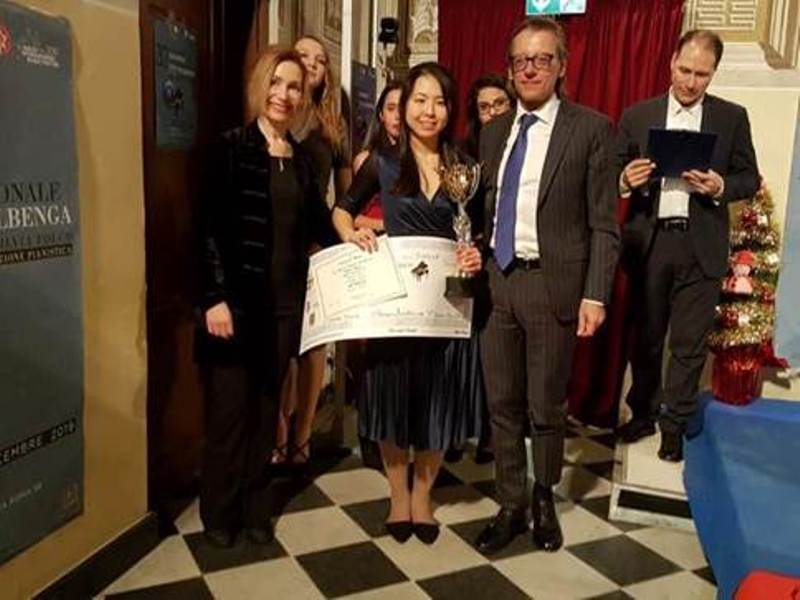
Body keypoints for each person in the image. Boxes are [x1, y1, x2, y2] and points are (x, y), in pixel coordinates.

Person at [475, 16, 619, 555]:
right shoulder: (493, 131)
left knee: (546, 406)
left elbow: (604, 223)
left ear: (561, 65)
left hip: (552, 285)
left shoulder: (591, 129)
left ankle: (543, 496)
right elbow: (480, 209)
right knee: (502, 403)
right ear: (510, 70)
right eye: (520, 61)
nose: (529, 69)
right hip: (497, 284)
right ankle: (510, 502)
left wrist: (595, 293)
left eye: (541, 59)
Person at [332, 62, 484, 545]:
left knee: (439, 401)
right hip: (395, 307)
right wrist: (351, 233)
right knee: (391, 400)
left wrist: (475, 251)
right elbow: (342, 210)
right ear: (403, 107)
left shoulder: (465, 166)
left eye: (439, 101)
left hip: (447, 307)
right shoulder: (382, 163)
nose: (428, 111)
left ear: (451, 109)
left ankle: (423, 496)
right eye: (419, 100)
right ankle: (398, 496)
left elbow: (479, 229)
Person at [195, 46, 334, 548]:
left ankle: (256, 508)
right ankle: (219, 512)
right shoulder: (230, 148)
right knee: (229, 416)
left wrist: (356, 235)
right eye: (276, 82)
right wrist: (213, 297)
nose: (284, 94)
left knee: (266, 411)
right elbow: (206, 229)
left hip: (284, 310)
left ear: (303, 96)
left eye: (294, 86)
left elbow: (321, 226)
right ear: (260, 86)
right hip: (234, 310)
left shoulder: (302, 162)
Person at [615, 30, 759, 461]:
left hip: (701, 244)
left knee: (689, 344)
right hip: (650, 243)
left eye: (701, 74)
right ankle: (642, 412)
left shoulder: (731, 117)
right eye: (684, 70)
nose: (691, 82)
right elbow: (609, 172)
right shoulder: (638, 115)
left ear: (713, 74)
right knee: (646, 339)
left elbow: (748, 178)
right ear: (670, 63)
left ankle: (674, 425)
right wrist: (625, 179)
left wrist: (719, 186)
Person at [272, 35, 352, 468]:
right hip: (276, 244)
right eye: (303, 55)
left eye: (320, 60)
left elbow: (345, 190)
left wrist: (343, 234)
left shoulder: (332, 123)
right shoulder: (275, 110)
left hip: (316, 243)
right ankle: (277, 429)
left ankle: (302, 432)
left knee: (312, 343)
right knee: (278, 343)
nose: (312, 63)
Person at [445, 72, 515, 466]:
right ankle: (456, 430)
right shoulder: (461, 155)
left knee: (498, 358)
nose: (491, 113)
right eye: (483, 107)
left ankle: (491, 433)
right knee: (460, 351)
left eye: (498, 104)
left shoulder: (523, 146)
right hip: (466, 262)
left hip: (506, 267)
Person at [349, 81, 403, 471]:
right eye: (391, 107)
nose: (398, 115)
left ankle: (396, 433)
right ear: (381, 114)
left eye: (404, 106)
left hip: (407, 265)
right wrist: (385, 225)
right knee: (373, 355)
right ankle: (369, 435)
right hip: (374, 258)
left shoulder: (423, 158)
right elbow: (352, 215)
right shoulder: (369, 159)